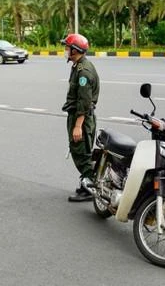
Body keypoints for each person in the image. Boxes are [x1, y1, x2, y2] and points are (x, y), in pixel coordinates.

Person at [61, 33, 100, 202]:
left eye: (67, 48)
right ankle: (86, 183)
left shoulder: (84, 72)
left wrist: (78, 126)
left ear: (75, 50)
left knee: (81, 152)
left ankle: (89, 187)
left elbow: (84, 102)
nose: (65, 50)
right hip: (79, 116)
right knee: (82, 151)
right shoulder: (78, 66)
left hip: (81, 119)